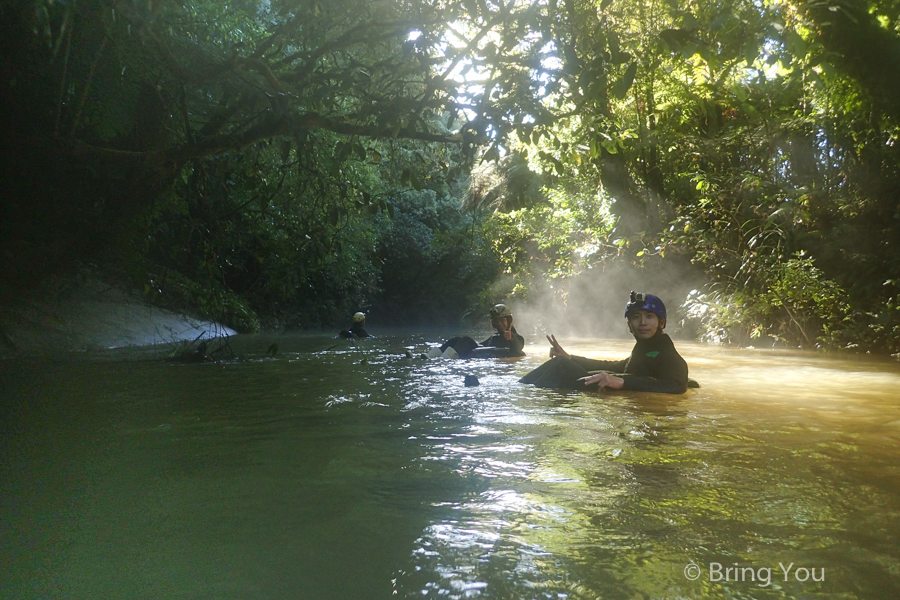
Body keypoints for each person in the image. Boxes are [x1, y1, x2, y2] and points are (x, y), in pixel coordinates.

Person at [519, 292, 689, 394]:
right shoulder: (645, 349)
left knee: (560, 366)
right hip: (611, 392)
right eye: (636, 317)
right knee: (562, 363)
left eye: (649, 317)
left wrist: (622, 382)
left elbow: (677, 385)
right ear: (629, 324)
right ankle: (522, 390)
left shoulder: (666, 352)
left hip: (616, 393)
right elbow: (616, 366)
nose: (642, 322)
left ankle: (520, 393)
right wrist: (571, 357)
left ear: (662, 323)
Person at [423, 304, 526, 359]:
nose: (499, 324)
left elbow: (519, 345)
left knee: (466, 340)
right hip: (481, 351)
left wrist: (511, 338)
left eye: (502, 320)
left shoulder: (515, 337)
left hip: (482, 354)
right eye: (496, 321)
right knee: (456, 340)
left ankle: (443, 360)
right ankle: (431, 356)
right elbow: (482, 345)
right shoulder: (495, 337)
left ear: (509, 320)